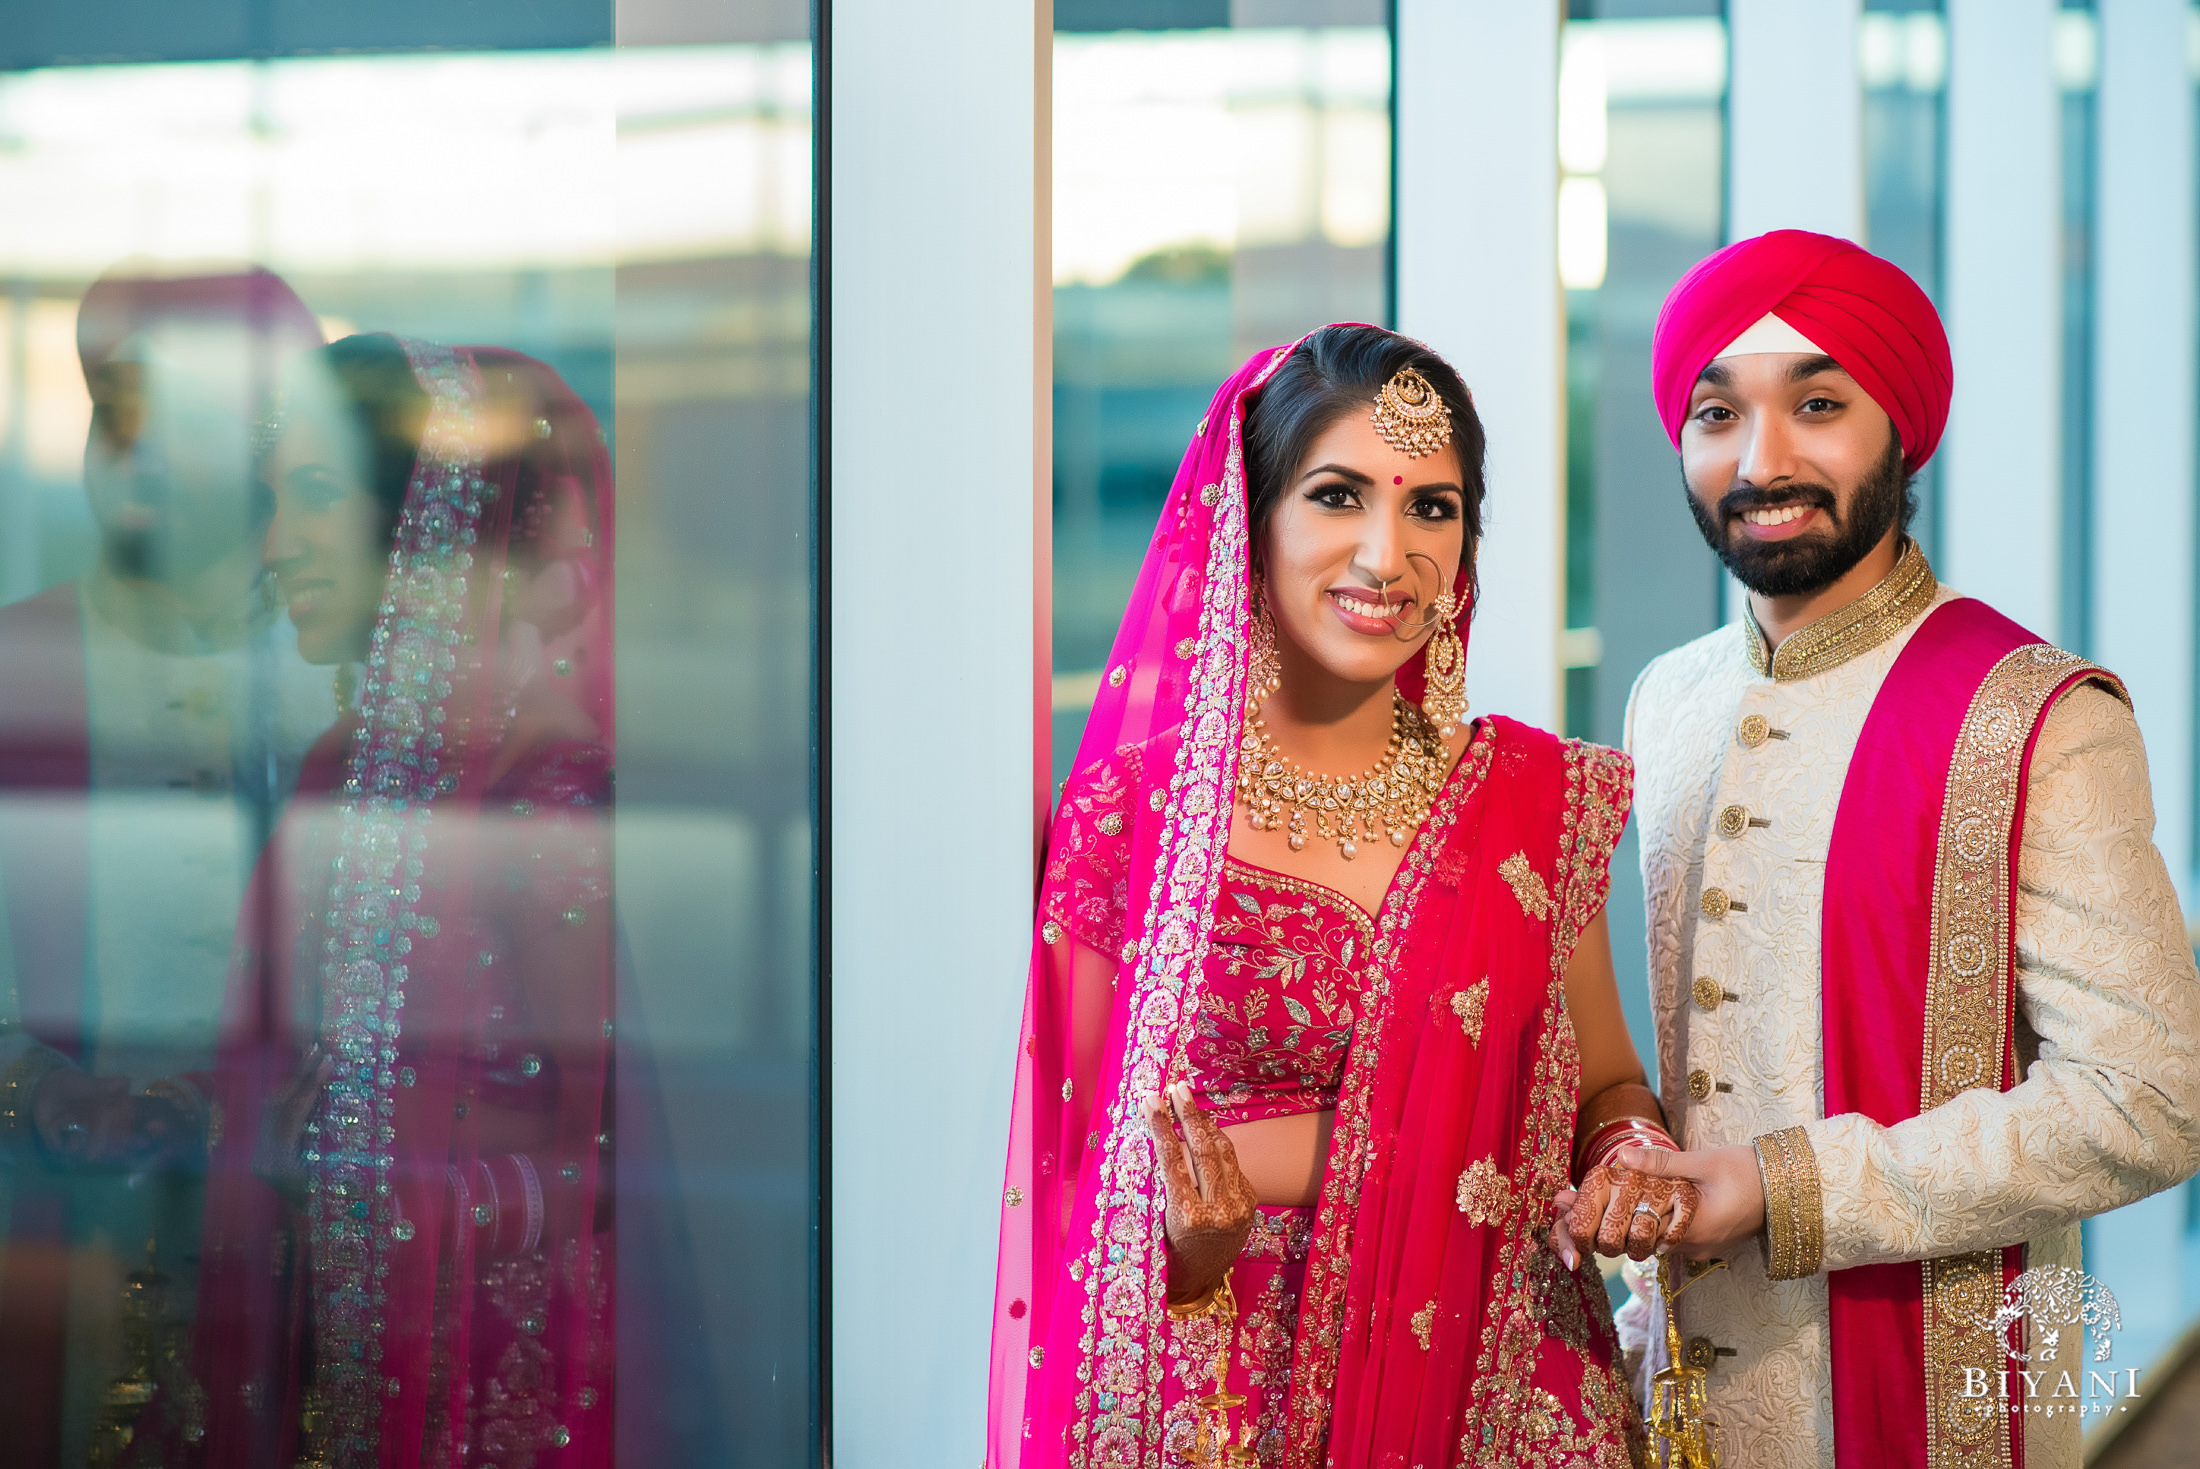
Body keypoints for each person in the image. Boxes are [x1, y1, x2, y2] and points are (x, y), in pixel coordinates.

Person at [990, 323, 1683, 1469]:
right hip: (1228, 1402)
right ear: (1246, 520)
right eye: (1336, 494)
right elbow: (1075, 1182)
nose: (1386, 554)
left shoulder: (1530, 803)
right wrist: (1189, 1248)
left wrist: (1625, 1152)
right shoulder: (1137, 819)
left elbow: (1604, 1076)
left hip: (1499, 1390)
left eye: (1432, 508)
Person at [1563, 229, 2200, 1469]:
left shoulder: (2033, 715)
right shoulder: (1666, 701)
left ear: (1900, 428)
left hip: (1932, 1398)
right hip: (1677, 1385)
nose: (1763, 460)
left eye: (1816, 403)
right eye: (1715, 412)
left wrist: (1784, 1186)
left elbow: (2153, 1098)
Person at [175, 335, 616, 1468]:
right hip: (340, 1362)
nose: (273, 547)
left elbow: (640, 1157)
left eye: (315, 494)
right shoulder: (337, 776)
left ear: (436, 512)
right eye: (272, 501)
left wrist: (406, 1196)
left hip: (500, 1382)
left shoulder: (550, 798)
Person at [0, 266, 335, 1466]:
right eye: (120, 415)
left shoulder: (351, 669)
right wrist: (45, 1095)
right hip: (76, 1242)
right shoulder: (17, 664)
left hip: (318, 1254)